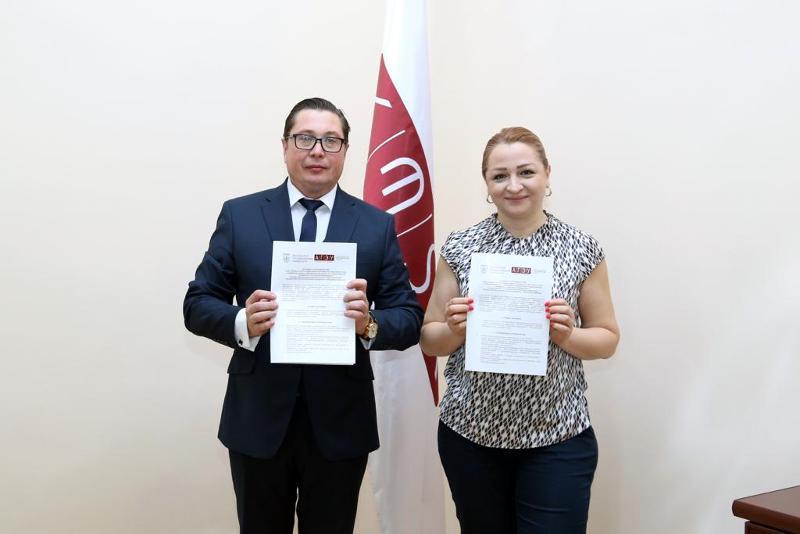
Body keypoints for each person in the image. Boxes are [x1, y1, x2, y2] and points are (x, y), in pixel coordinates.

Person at [183, 97, 423, 534]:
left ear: (345, 151)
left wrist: (368, 323)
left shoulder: (376, 226)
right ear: (285, 146)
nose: (317, 150)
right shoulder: (241, 215)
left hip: (340, 422)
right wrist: (242, 321)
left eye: (331, 140)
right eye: (305, 138)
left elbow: (409, 317)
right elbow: (197, 304)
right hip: (258, 418)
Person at [420, 127, 620, 534]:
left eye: (526, 172)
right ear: (486, 184)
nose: (513, 186)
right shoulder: (461, 246)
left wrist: (568, 335)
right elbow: (429, 338)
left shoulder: (581, 247)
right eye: (500, 176)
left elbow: (607, 338)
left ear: (547, 174)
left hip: (557, 436)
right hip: (470, 436)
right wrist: (455, 329)